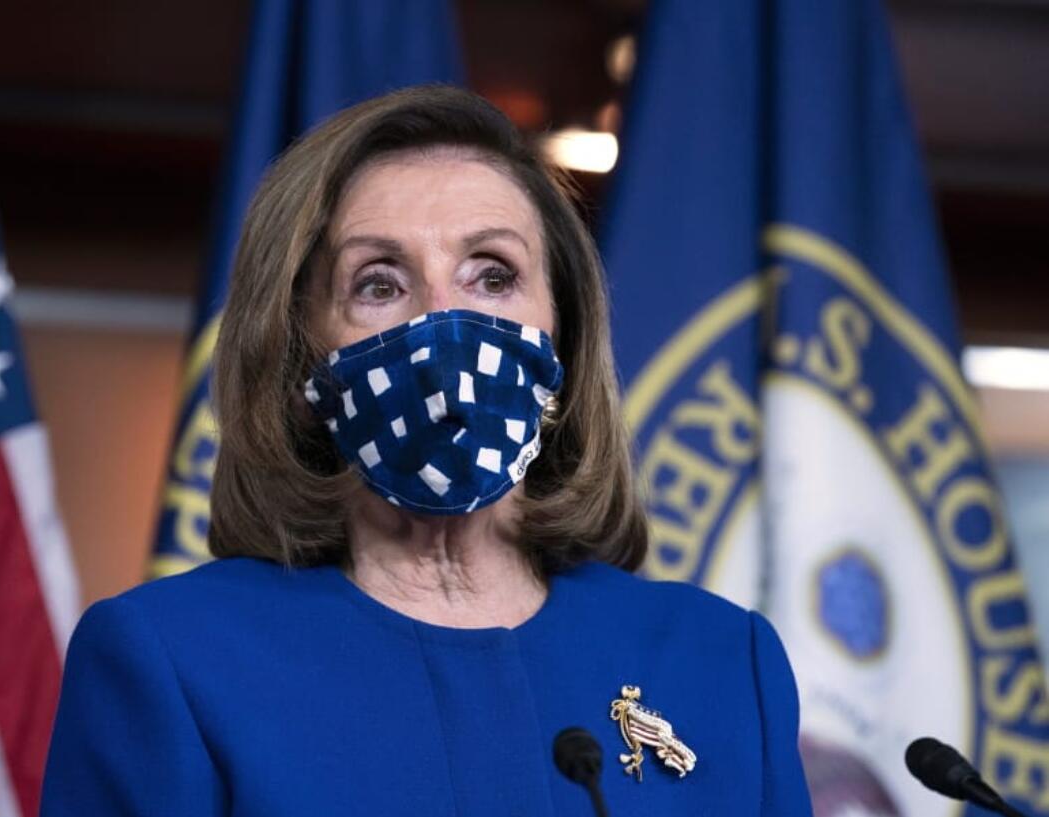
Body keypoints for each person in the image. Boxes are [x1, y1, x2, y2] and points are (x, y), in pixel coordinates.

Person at [40, 85, 813, 816]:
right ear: (299, 354)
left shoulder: (720, 661)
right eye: (379, 283)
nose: (446, 323)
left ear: (564, 343)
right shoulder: (172, 661)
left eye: (492, 275)